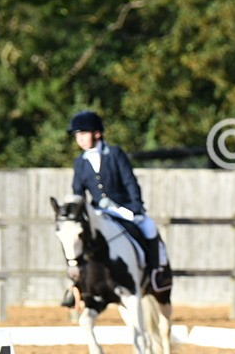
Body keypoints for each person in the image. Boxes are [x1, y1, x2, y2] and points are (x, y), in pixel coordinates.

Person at [61, 110, 171, 307]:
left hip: (124, 209)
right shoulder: (80, 162)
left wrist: (136, 207)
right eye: (77, 135)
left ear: (97, 133)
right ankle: (77, 285)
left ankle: (156, 274)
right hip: (100, 214)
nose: (80, 139)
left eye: (83, 134)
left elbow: (130, 182)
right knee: (75, 236)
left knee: (150, 227)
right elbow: (78, 192)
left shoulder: (115, 154)